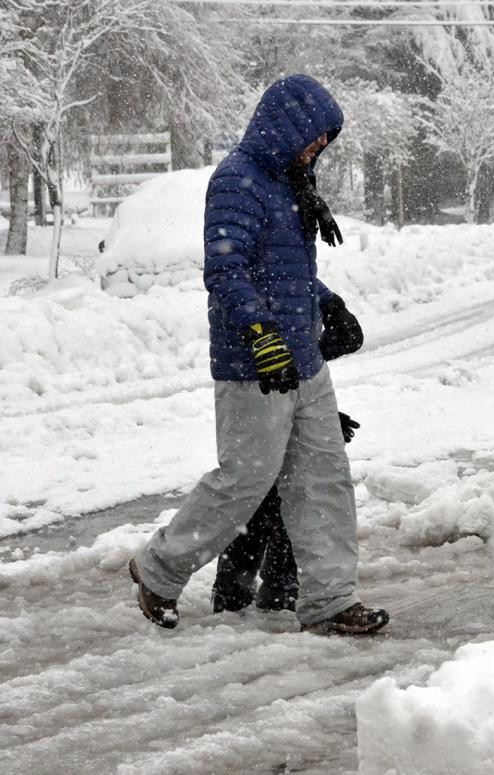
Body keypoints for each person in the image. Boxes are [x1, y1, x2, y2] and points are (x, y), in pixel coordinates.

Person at [128, 74, 389, 636]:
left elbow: (285, 274)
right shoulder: (237, 181)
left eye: (325, 141)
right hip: (255, 366)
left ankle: (330, 601)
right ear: (287, 127)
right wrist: (262, 335)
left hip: (304, 362)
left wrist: (328, 302)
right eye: (314, 137)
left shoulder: (290, 184)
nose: (318, 148)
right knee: (243, 483)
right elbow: (226, 271)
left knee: (324, 481)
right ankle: (157, 569)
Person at [211, 314, 364, 614]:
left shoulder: (302, 291)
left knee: (298, 489)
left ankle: (274, 584)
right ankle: (238, 587)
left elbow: (349, 334)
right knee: (260, 490)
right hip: (258, 387)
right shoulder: (259, 294)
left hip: (290, 384)